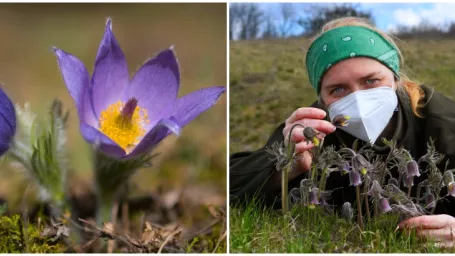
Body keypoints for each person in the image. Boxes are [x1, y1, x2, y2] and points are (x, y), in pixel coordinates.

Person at [230, 17, 455, 246]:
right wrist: (285, 168)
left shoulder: (442, 120)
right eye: (338, 89)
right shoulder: (312, 128)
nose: (357, 99)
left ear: (395, 79)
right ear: (323, 99)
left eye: (371, 81)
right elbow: (231, 182)